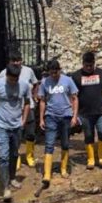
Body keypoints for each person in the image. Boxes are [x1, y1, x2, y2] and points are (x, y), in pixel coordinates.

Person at [0, 64, 32, 201]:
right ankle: (6, 187)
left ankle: (12, 177)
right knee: (3, 157)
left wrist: (24, 120)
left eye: (15, 79)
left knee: (14, 154)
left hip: (16, 125)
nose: (13, 82)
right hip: (0, 125)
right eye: (11, 79)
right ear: (6, 75)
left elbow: (27, 102)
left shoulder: (24, 85)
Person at [38, 59, 78, 187]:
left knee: (65, 143)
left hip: (66, 116)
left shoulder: (68, 80)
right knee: (49, 144)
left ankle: (63, 168)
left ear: (59, 70)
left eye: (56, 72)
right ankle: (47, 173)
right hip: (51, 116)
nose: (54, 75)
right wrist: (41, 118)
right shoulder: (44, 82)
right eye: (51, 73)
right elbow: (42, 101)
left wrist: (74, 116)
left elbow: (74, 98)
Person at [72, 52, 102, 169]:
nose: (89, 68)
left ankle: (101, 156)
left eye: (91, 65)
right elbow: (73, 96)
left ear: (94, 63)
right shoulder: (76, 76)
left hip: (101, 111)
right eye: (87, 66)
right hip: (85, 113)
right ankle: (90, 158)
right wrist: (74, 112)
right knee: (89, 135)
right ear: (83, 64)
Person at [0, 50, 40, 170]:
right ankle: (16, 158)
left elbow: (35, 83)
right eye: (14, 61)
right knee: (16, 135)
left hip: (28, 106)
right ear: (9, 62)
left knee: (30, 132)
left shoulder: (28, 71)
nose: (16, 63)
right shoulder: (3, 73)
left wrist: (35, 96)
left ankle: (30, 156)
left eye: (18, 60)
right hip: (13, 108)